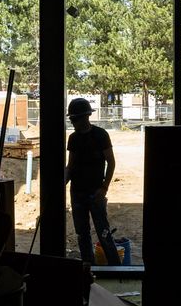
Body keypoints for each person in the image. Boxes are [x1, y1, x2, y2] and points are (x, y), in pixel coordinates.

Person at [65, 96, 122, 265]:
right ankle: (88, 268)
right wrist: (62, 181)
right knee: (82, 233)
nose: (74, 123)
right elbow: (71, 165)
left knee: (103, 231)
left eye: (76, 119)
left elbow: (111, 162)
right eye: (72, 119)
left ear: (86, 117)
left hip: (96, 192)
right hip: (77, 192)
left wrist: (104, 188)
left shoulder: (100, 135)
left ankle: (115, 268)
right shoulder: (73, 139)